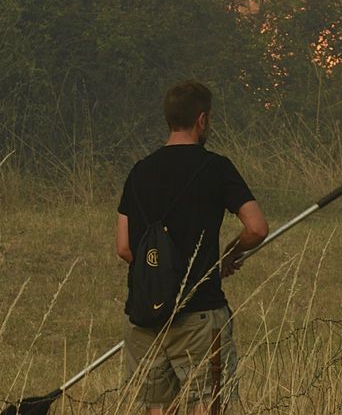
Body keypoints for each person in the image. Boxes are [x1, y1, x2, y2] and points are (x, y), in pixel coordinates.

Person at [115, 81, 268, 415]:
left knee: (154, 408)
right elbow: (256, 228)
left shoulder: (139, 172)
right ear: (202, 120)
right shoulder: (215, 168)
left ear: (169, 119)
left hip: (145, 317)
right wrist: (230, 255)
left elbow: (124, 248)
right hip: (199, 313)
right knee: (208, 405)